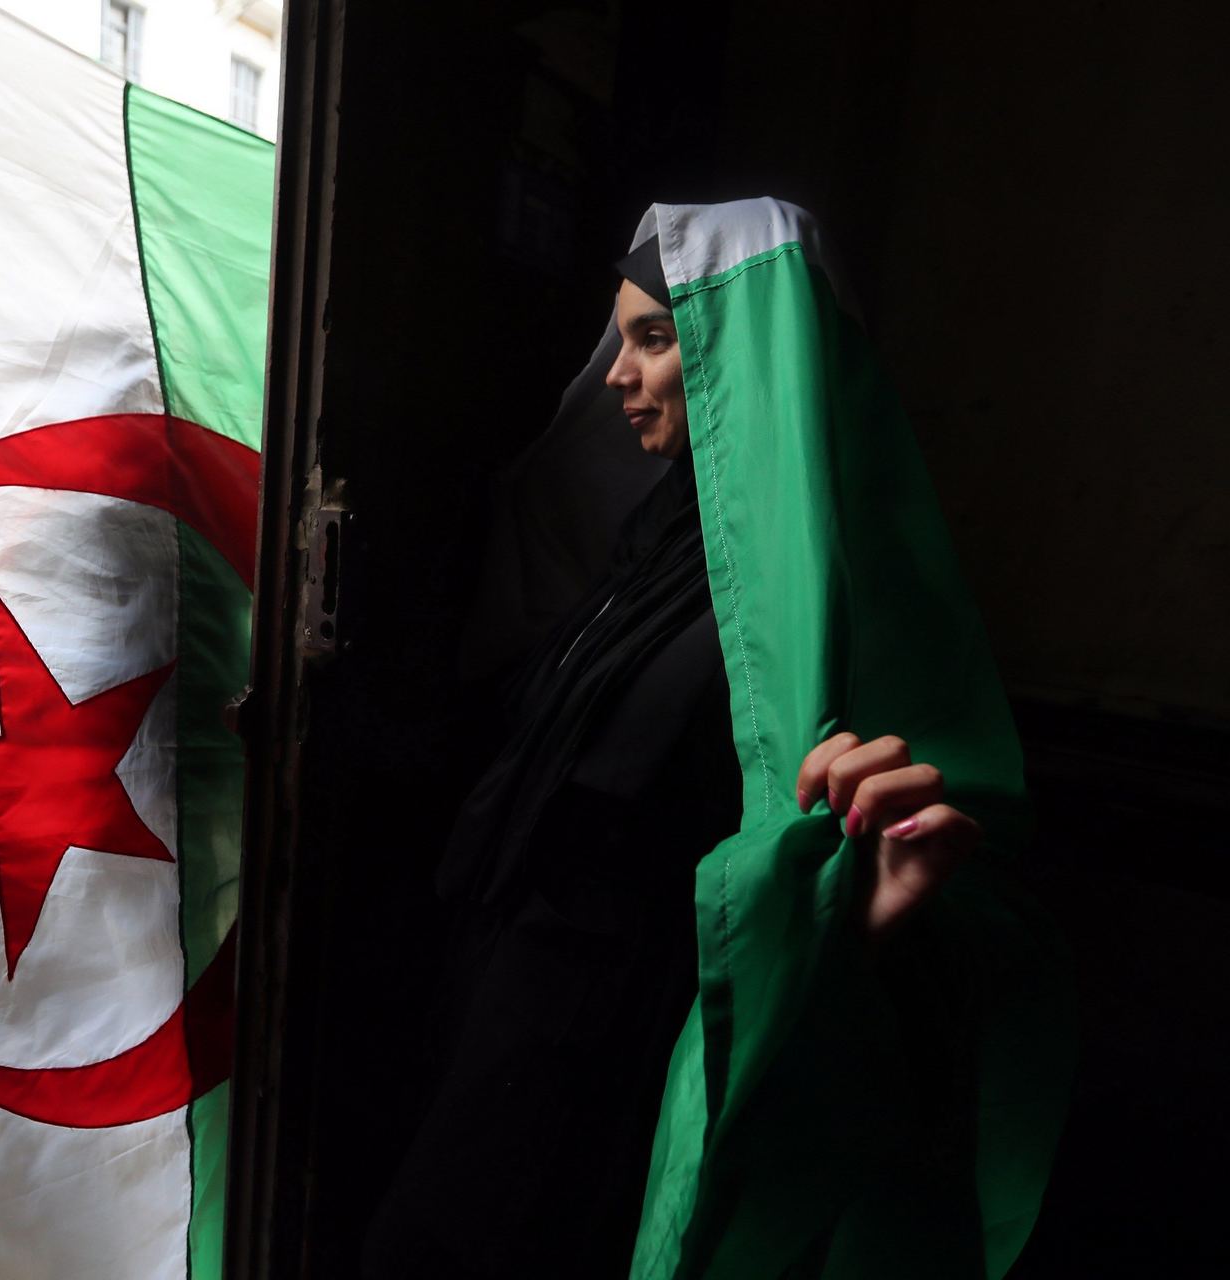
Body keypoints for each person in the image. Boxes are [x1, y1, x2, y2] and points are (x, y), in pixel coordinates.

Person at [364, 200, 1070, 1279]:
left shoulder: (823, 585)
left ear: (745, 355)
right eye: (623, 338)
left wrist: (856, 903)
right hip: (511, 977)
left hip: (625, 1024)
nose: (617, 373)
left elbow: (923, 875)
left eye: (655, 338)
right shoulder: (658, 531)